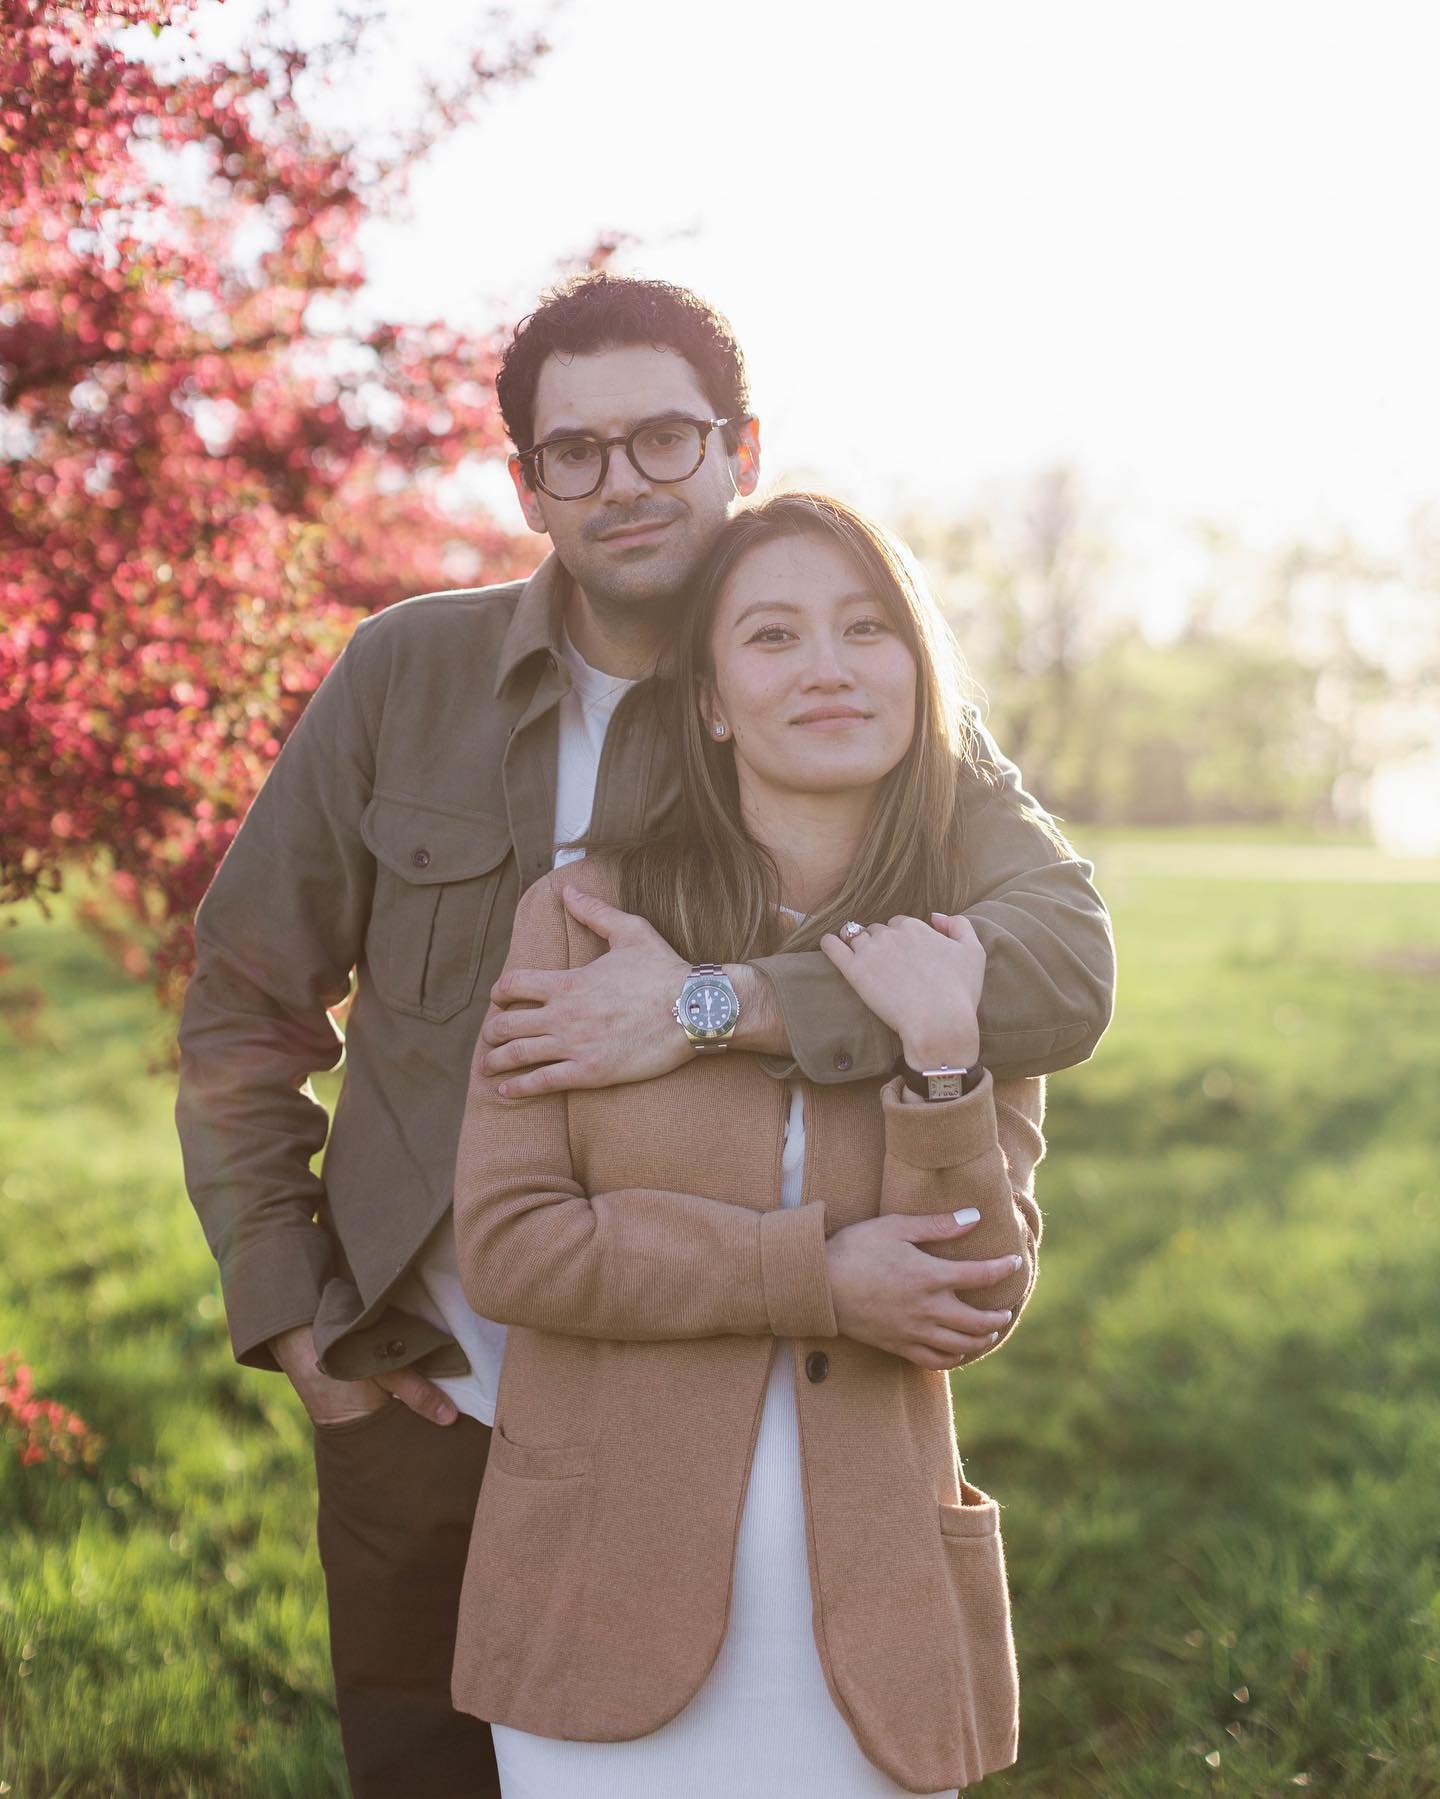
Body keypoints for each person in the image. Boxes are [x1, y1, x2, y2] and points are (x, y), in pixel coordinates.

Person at [173, 273, 1114, 1799]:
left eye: (665, 439)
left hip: (759, 1407)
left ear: (740, 444)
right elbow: (241, 1008)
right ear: (526, 483)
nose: (624, 484)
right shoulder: (407, 677)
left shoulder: (847, 695)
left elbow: (1061, 973)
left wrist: (712, 1006)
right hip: (439, 1386)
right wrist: (302, 1322)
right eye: (577, 452)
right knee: (429, 1774)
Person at [450, 492, 1051, 1797]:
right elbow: (509, 1248)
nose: (830, 667)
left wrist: (945, 1056)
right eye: (774, 636)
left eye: (866, 630)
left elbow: (975, 1299)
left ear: (917, 670)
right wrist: (817, 1279)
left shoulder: (964, 950)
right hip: (600, 1606)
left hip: (877, 1627)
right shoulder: (581, 921)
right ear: (712, 697)